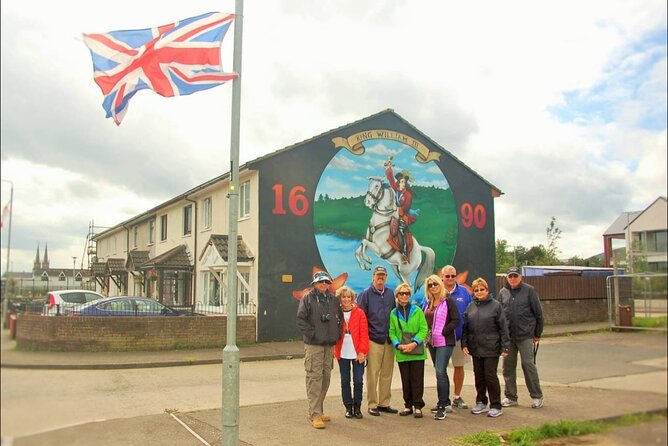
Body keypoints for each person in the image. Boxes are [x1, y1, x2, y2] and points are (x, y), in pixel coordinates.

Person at [296, 271, 343, 429]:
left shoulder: (333, 300)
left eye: (327, 282)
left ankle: (318, 409)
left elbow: (339, 319)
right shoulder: (307, 298)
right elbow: (301, 319)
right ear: (314, 283)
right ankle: (314, 414)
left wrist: (336, 334)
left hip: (329, 345)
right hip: (314, 345)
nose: (324, 285)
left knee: (325, 378)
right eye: (321, 282)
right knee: (314, 379)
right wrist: (313, 335)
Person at [498, 266, 545, 409]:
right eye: (510, 276)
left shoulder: (529, 290)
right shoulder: (503, 292)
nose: (512, 278)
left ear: (520, 277)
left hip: (525, 335)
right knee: (508, 367)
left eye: (515, 276)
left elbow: (538, 314)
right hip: (509, 337)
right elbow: (499, 315)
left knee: (528, 364)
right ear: (506, 278)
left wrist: (537, 334)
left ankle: (537, 396)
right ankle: (511, 397)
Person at [462, 277, 510, 418]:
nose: (479, 292)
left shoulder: (496, 306)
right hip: (475, 347)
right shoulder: (470, 306)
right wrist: (465, 344)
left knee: (490, 376)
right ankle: (481, 402)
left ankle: (496, 405)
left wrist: (505, 347)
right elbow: (466, 327)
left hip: (491, 347)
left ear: (487, 290)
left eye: (482, 289)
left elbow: (503, 328)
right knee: (479, 376)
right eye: (476, 290)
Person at [356, 265, 399, 416]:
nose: (380, 278)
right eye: (378, 275)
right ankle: (372, 404)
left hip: (388, 339)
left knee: (387, 373)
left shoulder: (389, 293)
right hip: (373, 339)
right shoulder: (365, 294)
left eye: (383, 275)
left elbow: (394, 315)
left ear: (386, 277)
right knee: (373, 374)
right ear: (373, 276)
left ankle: (384, 403)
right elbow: (360, 318)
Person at [422, 274, 460, 420]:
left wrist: (445, 330)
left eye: (435, 284)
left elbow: (456, 319)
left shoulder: (448, 300)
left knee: (440, 371)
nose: (433, 287)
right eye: (430, 285)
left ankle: (442, 406)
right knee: (439, 372)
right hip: (432, 342)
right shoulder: (428, 302)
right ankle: (444, 401)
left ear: (440, 284)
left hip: (445, 341)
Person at [389, 282, 429, 418]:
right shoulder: (393, 313)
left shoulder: (417, 310)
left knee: (417, 379)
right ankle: (408, 405)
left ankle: (418, 405)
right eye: (402, 293)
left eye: (407, 293)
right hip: (402, 351)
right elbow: (392, 332)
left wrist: (414, 343)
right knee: (405, 380)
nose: (404, 296)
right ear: (397, 296)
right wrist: (397, 345)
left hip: (416, 351)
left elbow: (424, 328)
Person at [333, 286, 369, 420]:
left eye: (349, 297)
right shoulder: (336, 313)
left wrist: (362, 352)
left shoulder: (359, 313)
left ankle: (357, 407)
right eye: (344, 297)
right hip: (342, 352)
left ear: (352, 298)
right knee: (345, 381)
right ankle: (348, 407)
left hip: (357, 352)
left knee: (358, 381)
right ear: (340, 299)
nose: (346, 299)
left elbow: (364, 334)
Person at [440, 265, 472, 410]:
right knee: (441, 370)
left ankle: (457, 397)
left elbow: (471, 313)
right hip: (441, 339)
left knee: (458, 367)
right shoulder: (435, 291)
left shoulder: (464, 292)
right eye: (447, 276)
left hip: (459, 337)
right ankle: (443, 399)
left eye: (453, 276)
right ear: (442, 277)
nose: (450, 279)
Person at [384, 157, 418, 263]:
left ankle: (404, 253)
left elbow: (407, 206)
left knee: (402, 231)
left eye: (403, 182)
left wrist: (399, 209)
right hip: (394, 213)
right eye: (400, 181)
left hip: (404, 216)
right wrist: (389, 166)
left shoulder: (408, 194)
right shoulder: (396, 188)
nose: (402, 183)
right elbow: (390, 178)